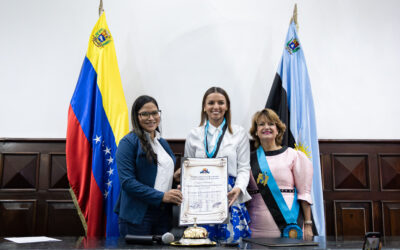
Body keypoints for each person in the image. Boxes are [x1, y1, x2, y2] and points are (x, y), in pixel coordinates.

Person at [182, 86, 252, 243]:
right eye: (211, 103)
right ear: (204, 107)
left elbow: (244, 168)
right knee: (201, 242)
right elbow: (188, 168)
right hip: (200, 199)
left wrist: (238, 188)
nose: (216, 107)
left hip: (230, 195)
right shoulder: (194, 134)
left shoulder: (239, 133)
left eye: (221, 102)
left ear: (227, 107)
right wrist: (185, 185)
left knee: (231, 242)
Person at [114, 95, 182, 237]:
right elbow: (128, 182)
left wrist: (174, 179)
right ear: (136, 116)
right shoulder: (128, 143)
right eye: (145, 114)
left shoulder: (162, 143)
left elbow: (159, 176)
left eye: (155, 113)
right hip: (138, 215)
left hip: (164, 214)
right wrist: (162, 196)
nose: (151, 118)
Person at [246, 108, 314, 240]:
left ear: (278, 129)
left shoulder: (294, 155)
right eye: (261, 124)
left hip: (290, 227)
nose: (266, 127)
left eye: (271, 124)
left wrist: (308, 224)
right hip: (256, 227)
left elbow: (304, 193)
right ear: (256, 131)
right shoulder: (248, 159)